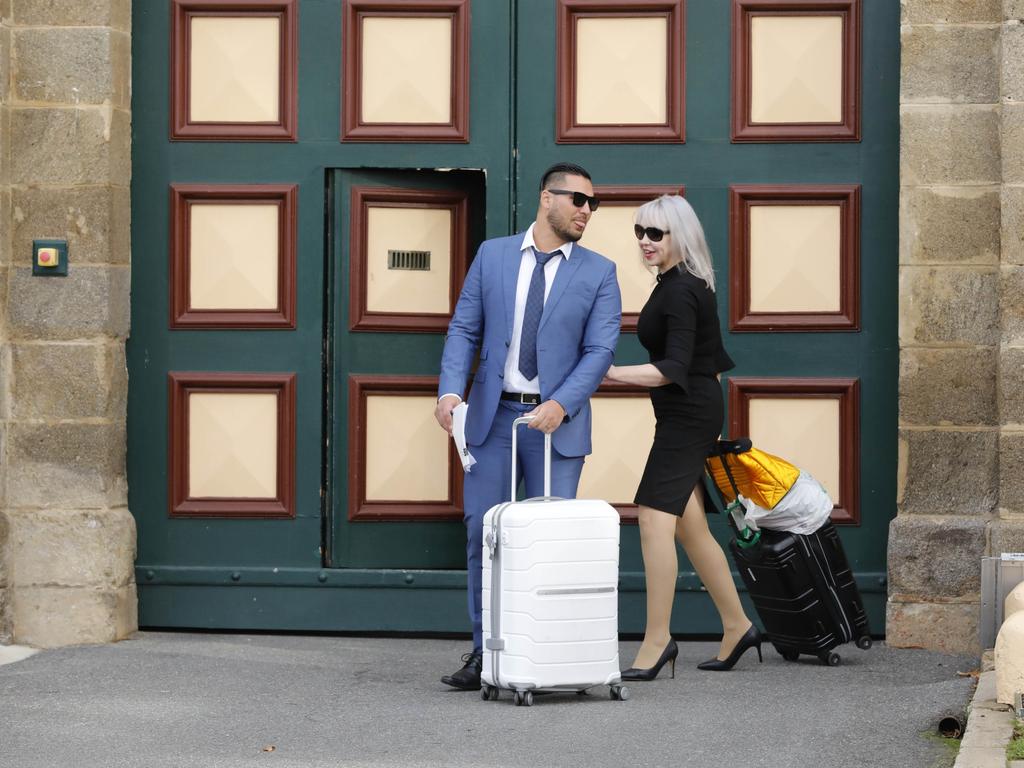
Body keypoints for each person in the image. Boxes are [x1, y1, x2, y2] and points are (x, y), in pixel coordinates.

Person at [434, 162, 623, 690]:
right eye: (578, 200)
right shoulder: (493, 255)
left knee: (549, 541)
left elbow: (600, 349)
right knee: (484, 535)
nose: (587, 210)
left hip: (555, 426)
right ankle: (484, 654)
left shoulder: (600, 271)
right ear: (547, 198)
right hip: (493, 418)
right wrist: (451, 390)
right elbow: (465, 328)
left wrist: (561, 404)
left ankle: (546, 657)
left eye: (593, 204)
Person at [604, 195, 761, 679]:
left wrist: (606, 374)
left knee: (652, 518)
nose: (646, 242)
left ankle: (658, 640)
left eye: (657, 233)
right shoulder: (677, 284)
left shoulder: (681, 290)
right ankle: (737, 626)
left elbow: (674, 368)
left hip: (687, 414)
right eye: (639, 232)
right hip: (686, 412)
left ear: (680, 235)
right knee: (688, 527)